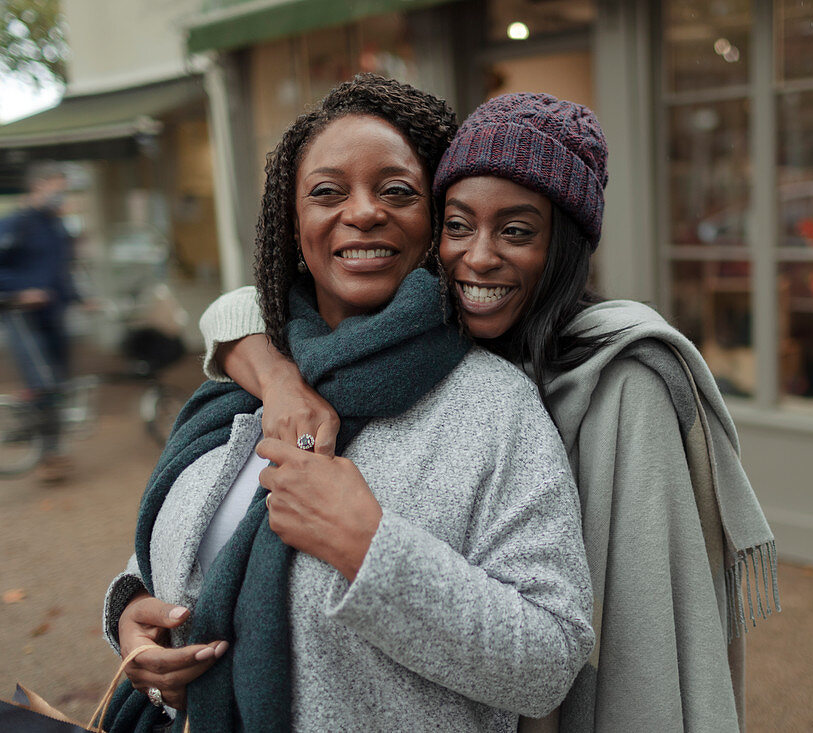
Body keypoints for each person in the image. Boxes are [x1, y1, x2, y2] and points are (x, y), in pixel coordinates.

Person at [199, 92, 776, 732]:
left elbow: (628, 616)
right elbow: (238, 309)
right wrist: (277, 379)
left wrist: (368, 544)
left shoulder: (616, 379)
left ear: (563, 247)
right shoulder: (367, 350)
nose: (478, 257)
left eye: (518, 231)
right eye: (459, 225)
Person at [100, 75, 593, 733]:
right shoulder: (244, 381)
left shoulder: (495, 408)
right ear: (293, 220)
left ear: (435, 221)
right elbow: (167, 556)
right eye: (328, 191)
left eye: (396, 190)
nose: (362, 212)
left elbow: (549, 660)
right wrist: (130, 617)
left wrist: (370, 547)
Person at [0, 161, 78, 482]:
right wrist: (20, 292)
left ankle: (53, 448)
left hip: (54, 315)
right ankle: (48, 455)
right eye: (55, 187)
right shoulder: (15, 224)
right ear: (38, 186)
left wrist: (80, 298)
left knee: (58, 384)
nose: (61, 195)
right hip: (22, 316)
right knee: (44, 381)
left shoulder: (56, 226)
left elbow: (61, 270)